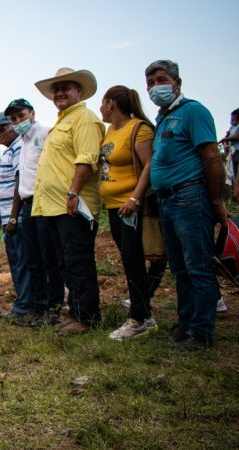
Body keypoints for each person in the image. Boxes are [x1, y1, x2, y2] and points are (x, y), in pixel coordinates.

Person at [145, 60, 226, 350]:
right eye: (151, 81)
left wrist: (216, 200)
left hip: (190, 197)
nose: (156, 86)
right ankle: (186, 324)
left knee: (198, 266)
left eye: (161, 79)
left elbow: (212, 157)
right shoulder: (163, 117)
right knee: (179, 268)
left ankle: (202, 332)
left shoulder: (194, 111)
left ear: (177, 82)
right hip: (167, 201)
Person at [32, 68, 105, 335]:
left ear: (79, 91)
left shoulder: (83, 119)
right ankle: (75, 312)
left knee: (78, 260)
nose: (60, 93)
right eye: (56, 89)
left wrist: (73, 193)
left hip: (73, 205)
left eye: (66, 88)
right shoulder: (61, 123)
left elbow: (86, 159)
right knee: (65, 263)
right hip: (53, 207)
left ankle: (87, 318)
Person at [97, 85, 162, 340]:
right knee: (128, 259)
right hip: (114, 207)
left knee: (134, 261)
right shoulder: (111, 130)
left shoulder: (139, 129)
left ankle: (139, 319)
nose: (100, 108)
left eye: (102, 102)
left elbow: (150, 164)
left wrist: (135, 198)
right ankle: (144, 313)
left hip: (131, 207)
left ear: (110, 103)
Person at [4, 99, 64, 327]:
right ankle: (38, 309)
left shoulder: (47, 133)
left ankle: (54, 308)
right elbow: (22, 178)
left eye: (22, 116)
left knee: (50, 259)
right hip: (28, 206)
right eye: (14, 119)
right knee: (33, 260)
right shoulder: (23, 142)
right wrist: (16, 213)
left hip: (46, 203)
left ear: (32, 113)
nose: (19, 121)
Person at [0, 112, 30, 321]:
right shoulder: (8, 152)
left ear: (13, 126)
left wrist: (14, 216)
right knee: (16, 262)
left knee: (22, 262)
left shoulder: (19, 148)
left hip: (17, 218)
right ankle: (23, 304)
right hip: (8, 218)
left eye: (2, 129)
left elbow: (20, 181)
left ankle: (25, 307)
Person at [220, 109, 239, 184]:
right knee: (233, 174)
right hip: (233, 153)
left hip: (238, 152)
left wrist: (224, 139)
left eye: (232, 117)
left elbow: (237, 136)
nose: (231, 119)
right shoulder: (232, 128)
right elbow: (227, 139)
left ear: (235, 116)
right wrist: (225, 145)